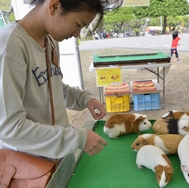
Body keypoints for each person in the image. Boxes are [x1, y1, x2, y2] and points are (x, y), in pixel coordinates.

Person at [0, 0, 122, 159]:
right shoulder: (10, 45)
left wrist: (84, 99)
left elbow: (52, 86)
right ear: (54, 6)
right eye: (78, 24)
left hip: (56, 159)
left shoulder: (50, 40)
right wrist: (77, 137)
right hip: (29, 169)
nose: (77, 34)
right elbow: (9, 128)